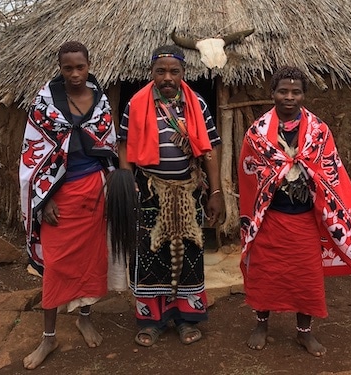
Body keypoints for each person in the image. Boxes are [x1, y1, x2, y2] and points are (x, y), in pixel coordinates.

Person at [238, 66, 351, 356]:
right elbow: (249, 174)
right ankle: (261, 325)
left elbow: (330, 171)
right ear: (272, 93)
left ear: (303, 95)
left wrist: (304, 172)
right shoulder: (257, 133)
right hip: (270, 219)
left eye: (295, 92)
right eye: (283, 91)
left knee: (306, 277)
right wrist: (279, 172)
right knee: (265, 274)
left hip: (304, 219)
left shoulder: (319, 132)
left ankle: (304, 333)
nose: (289, 97)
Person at [116, 44, 224, 347]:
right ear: (151, 73)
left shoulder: (196, 104)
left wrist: (215, 191)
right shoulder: (136, 104)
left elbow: (211, 147)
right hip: (149, 191)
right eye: (160, 71)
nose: (167, 77)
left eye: (173, 71)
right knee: (150, 257)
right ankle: (151, 322)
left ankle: (186, 319)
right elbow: (123, 145)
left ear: (183, 74)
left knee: (188, 257)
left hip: (190, 191)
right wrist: (128, 183)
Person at [19, 41, 118, 369]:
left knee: (91, 260)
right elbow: (33, 156)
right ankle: (49, 337)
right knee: (56, 266)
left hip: (93, 190)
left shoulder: (100, 100)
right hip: (57, 197)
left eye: (80, 67)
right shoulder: (44, 104)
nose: (75, 74)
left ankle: (84, 317)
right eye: (68, 68)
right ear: (59, 68)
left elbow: (108, 146)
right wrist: (42, 201)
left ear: (89, 65)